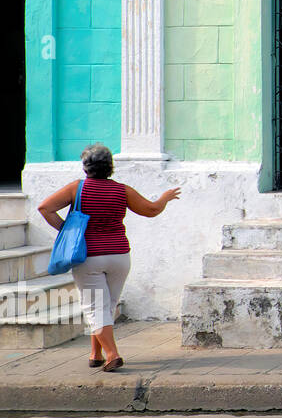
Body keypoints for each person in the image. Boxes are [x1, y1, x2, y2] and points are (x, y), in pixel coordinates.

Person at [37, 144, 181, 372]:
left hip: (89, 257)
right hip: (119, 257)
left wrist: (66, 229)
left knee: (96, 308)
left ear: (86, 167)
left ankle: (112, 354)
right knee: (106, 305)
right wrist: (164, 197)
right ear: (110, 167)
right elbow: (152, 210)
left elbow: (45, 207)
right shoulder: (122, 190)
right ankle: (95, 353)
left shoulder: (78, 188)